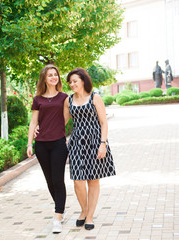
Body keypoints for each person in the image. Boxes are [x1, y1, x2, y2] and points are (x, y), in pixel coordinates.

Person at [64, 68, 116, 230]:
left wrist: (103, 143)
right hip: (77, 143)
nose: (72, 84)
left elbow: (103, 122)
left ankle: (90, 216)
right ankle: (84, 210)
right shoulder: (69, 101)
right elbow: (61, 124)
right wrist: (40, 129)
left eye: (75, 81)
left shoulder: (95, 97)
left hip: (95, 142)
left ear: (83, 81)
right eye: (70, 82)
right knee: (78, 181)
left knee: (93, 180)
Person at [27, 64, 68, 234]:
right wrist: (30, 143)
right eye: (50, 75)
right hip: (41, 145)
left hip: (58, 143)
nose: (53, 77)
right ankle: (61, 207)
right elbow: (33, 122)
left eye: (55, 74)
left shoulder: (64, 97)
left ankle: (57, 216)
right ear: (44, 78)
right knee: (50, 181)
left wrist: (54, 130)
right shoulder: (38, 99)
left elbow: (65, 120)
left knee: (58, 180)